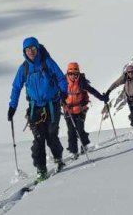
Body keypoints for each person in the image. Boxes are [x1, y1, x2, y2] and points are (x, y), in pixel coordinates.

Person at [8, 37, 68, 180]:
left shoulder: (47, 62)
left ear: (37, 48)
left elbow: (60, 77)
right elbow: (16, 87)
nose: (31, 52)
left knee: (51, 135)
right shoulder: (24, 68)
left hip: (51, 104)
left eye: (33, 49)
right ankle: (41, 169)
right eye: (28, 50)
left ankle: (58, 159)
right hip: (35, 108)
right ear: (24, 52)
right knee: (39, 139)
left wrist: (64, 93)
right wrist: (12, 106)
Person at [63, 62, 108, 158]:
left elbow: (92, 91)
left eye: (76, 74)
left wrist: (102, 98)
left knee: (79, 129)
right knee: (71, 131)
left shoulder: (82, 82)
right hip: (68, 110)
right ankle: (73, 151)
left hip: (81, 109)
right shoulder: (63, 83)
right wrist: (60, 102)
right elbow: (57, 94)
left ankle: (85, 145)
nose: (73, 76)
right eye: (71, 74)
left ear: (78, 73)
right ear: (67, 73)